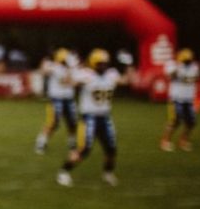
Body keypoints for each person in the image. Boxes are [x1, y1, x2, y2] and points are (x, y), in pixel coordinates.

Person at [56, 49, 134, 187]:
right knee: (84, 149)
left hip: (105, 117)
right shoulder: (87, 74)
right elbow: (68, 82)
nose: (103, 66)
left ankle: (108, 173)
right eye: (100, 63)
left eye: (104, 63)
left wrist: (128, 64)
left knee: (111, 149)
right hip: (89, 118)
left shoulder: (111, 74)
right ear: (93, 64)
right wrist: (71, 68)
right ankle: (64, 171)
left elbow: (126, 80)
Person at [34, 48, 78, 154]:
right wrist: (44, 64)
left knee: (72, 123)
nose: (64, 63)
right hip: (56, 99)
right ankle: (41, 142)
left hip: (69, 99)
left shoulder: (72, 68)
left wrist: (72, 68)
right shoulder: (56, 67)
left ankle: (72, 142)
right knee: (53, 123)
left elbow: (74, 82)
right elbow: (65, 80)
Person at [159, 48, 200, 152]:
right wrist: (178, 66)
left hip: (189, 99)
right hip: (176, 98)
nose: (187, 62)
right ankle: (165, 141)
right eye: (186, 60)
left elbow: (199, 77)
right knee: (175, 121)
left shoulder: (194, 66)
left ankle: (183, 140)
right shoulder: (171, 64)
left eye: (189, 60)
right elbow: (170, 76)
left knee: (191, 122)